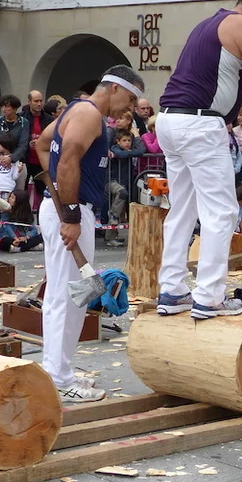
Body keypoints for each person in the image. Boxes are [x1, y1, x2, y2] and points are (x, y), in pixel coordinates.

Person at [154, 0, 242, 320]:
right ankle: (209, 297)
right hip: (200, 125)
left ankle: (172, 290)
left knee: (182, 210)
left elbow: (241, 80)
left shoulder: (208, 24)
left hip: (171, 119)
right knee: (222, 212)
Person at [34, 65, 142, 402]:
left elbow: (43, 144)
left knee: (77, 295)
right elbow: (68, 159)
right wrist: (68, 214)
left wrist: (57, 192)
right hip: (71, 211)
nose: (130, 107)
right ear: (114, 88)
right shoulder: (89, 114)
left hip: (71, 209)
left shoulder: (78, 110)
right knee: (66, 296)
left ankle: (61, 371)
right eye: (130, 98)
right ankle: (57, 378)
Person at [21, 90, 54, 199]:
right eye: (36, 101)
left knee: (43, 192)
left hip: (42, 160)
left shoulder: (49, 119)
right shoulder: (21, 118)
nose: (39, 104)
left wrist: (41, 143)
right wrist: (28, 143)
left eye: (41, 101)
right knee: (22, 191)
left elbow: (54, 138)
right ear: (29, 102)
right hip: (25, 160)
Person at [0, 95, 30, 168]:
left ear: (15, 109)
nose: (4, 109)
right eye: (2, 106)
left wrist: (11, 158)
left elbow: (23, 145)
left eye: (7, 107)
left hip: (17, 162)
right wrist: (0, 156)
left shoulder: (24, 122)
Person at [0, 133, 22, 201]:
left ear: (6, 146)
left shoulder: (14, 160)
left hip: (7, 189)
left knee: (5, 206)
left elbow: (14, 177)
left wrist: (18, 171)